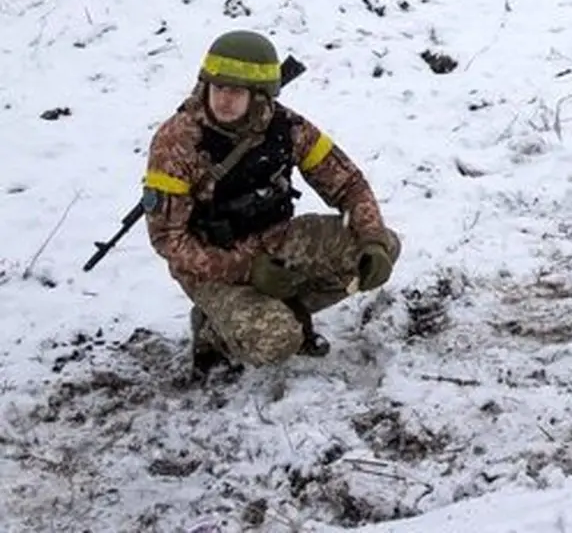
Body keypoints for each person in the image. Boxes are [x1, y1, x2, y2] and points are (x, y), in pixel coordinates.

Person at [142, 30, 401, 376]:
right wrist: (248, 270)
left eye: (236, 91)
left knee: (382, 247)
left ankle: (287, 307)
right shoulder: (176, 142)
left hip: (278, 241)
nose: (224, 100)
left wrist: (372, 240)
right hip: (211, 264)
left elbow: (349, 184)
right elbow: (169, 240)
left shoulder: (288, 127)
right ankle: (212, 331)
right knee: (276, 340)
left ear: (261, 96)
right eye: (218, 88)